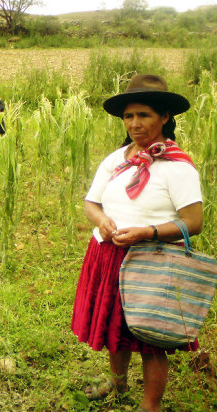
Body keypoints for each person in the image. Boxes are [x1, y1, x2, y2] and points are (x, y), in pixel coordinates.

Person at [71, 74, 203, 412]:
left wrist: (147, 232)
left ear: (165, 117)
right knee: (117, 327)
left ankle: (150, 405)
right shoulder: (116, 159)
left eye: (144, 115)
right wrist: (102, 222)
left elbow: (193, 222)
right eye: (129, 116)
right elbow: (92, 202)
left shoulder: (178, 167)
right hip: (108, 253)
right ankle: (118, 385)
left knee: (151, 339)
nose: (135, 123)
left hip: (153, 260)